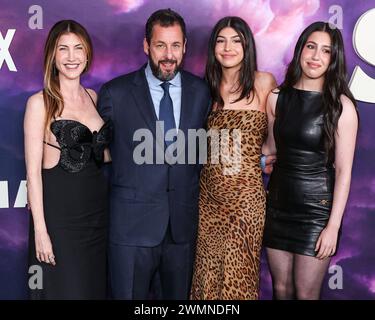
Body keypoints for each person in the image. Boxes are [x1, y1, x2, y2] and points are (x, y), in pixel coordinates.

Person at [97, 9, 211, 299]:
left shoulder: (201, 92)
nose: (168, 55)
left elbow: (206, 149)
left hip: (181, 231)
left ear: (185, 46)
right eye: (160, 45)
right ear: (146, 46)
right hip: (131, 230)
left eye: (175, 46)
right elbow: (98, 153)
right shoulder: (115, 93)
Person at [262, 21, 359, 300]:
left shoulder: (341, 107)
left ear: (333, 59)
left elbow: (344, 171)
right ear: (300, 50)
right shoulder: (276, 98)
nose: (316, 56)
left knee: (306, 294)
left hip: (316, 213)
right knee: (281, 290)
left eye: (326, 51)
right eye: (311, 47)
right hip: (278, 207)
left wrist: (332, 227)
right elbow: (270, 150)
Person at [190, 16, 276, 300]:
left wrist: (263, 161)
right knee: (206, 278)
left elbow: (273, 144)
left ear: (247, 45)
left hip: (246, 203)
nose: (228, 47)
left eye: (236, 40)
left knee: (239, 281)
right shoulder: (205, 90)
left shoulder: (264, 83)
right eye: (221, 40)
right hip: (209, 200)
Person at [25, 20, 112, 299]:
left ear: (87, 55)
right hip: (60, 224)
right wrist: (41, 230)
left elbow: (103, 156)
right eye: (63, 49)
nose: (71, 57)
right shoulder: (40, 103)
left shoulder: (93, 96)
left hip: (97, 220)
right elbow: (33, 174)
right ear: (53, 55)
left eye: (78, 48)